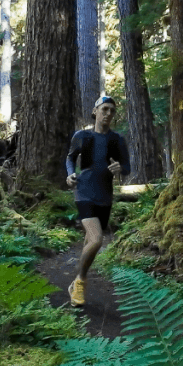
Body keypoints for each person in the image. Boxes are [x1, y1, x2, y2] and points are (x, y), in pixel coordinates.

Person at [65, 96, 131, 306]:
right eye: (105, 109)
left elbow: (127, 168)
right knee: (96, 239)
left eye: (112, 110)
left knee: (90, 241)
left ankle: (75, 282)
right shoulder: (82, 136)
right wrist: (70, 174)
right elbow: (70, 157)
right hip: (84, 191)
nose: (108, 114)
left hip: (105, 195)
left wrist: (120, 169)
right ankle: (80, 282)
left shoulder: (117, 140)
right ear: (95, 111)